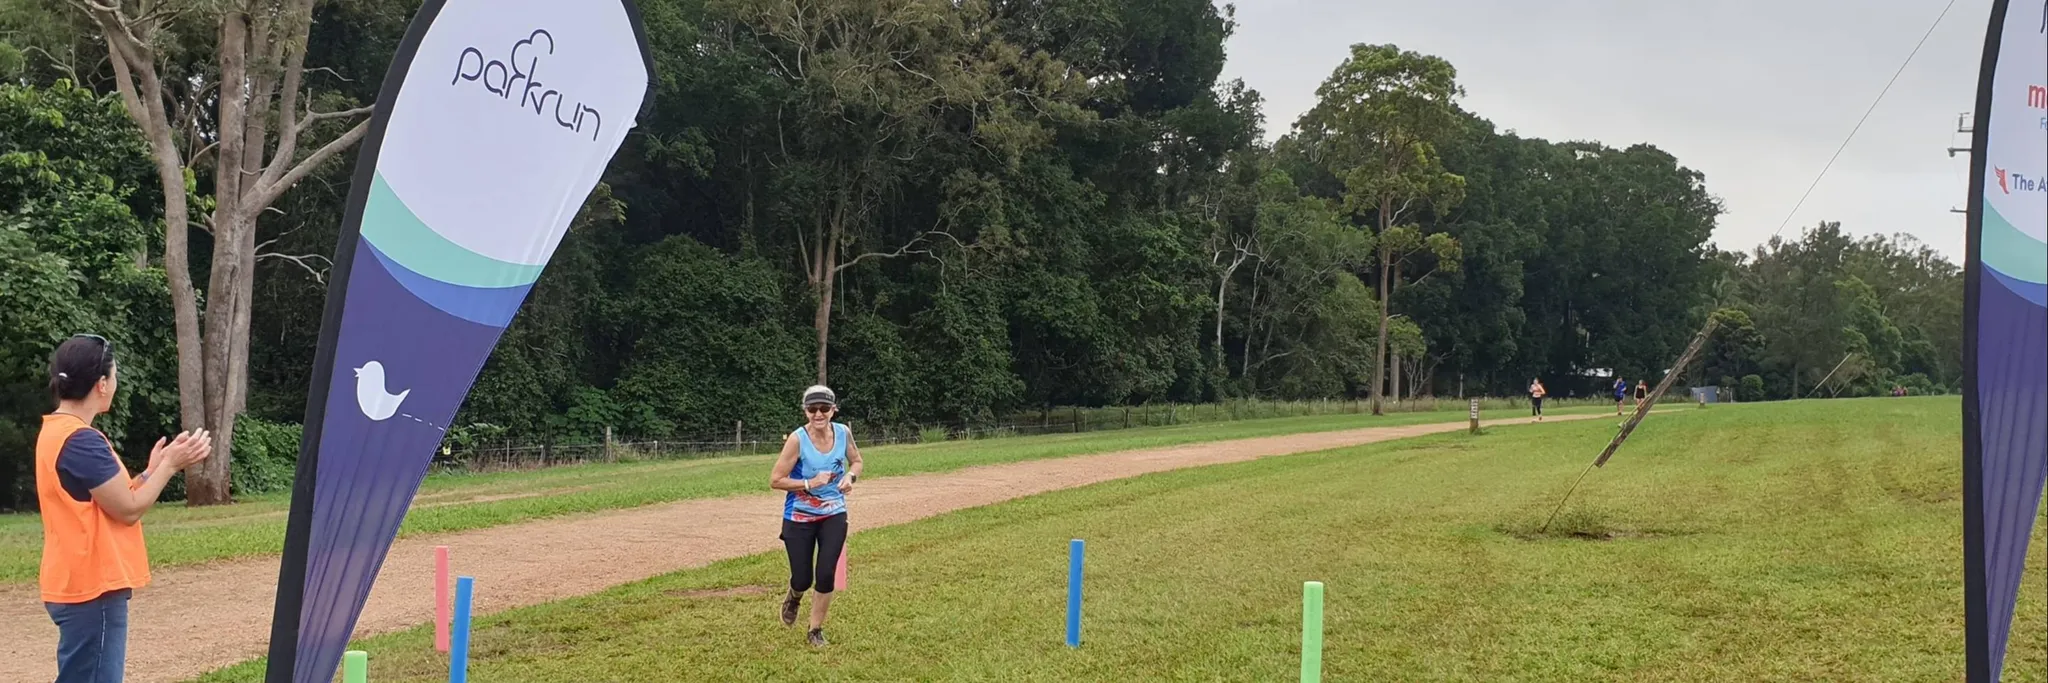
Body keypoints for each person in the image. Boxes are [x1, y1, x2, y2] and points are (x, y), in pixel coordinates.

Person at [37, 334, 212, 683]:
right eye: (114, 376)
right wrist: (170, 466)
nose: (115, 383)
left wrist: (149, 471)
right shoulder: (82, 440)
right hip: (93, 587)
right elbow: (129, 509)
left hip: (73, 581)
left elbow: (107, 499)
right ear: (102, 384)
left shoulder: (58, 431)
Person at [768, 385, 864, 647]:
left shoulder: (843, 432)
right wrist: (809, 484)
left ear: (834, 410)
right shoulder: (797, 440)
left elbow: (856, 460)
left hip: (834, 512)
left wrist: (849, 476)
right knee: (802, 578)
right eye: (812, 409)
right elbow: (775, 480)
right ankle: (794, 596)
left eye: (824, 408)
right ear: (805, 411)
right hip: (799, 517)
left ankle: (815, 630)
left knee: (825, 573)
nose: (818, 414)